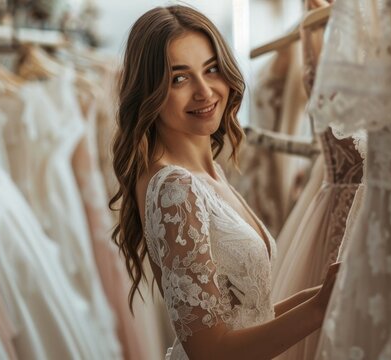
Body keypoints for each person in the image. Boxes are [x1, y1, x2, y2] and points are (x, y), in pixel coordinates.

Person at [110, 5, 339, 359]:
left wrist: (327, 293)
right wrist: (318, 309)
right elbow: (209, 351)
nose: (205, 91)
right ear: (149, 92)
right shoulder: (174, 187)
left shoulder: (209, 174)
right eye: (180, 78)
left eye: (211, 69)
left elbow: (249, 318)